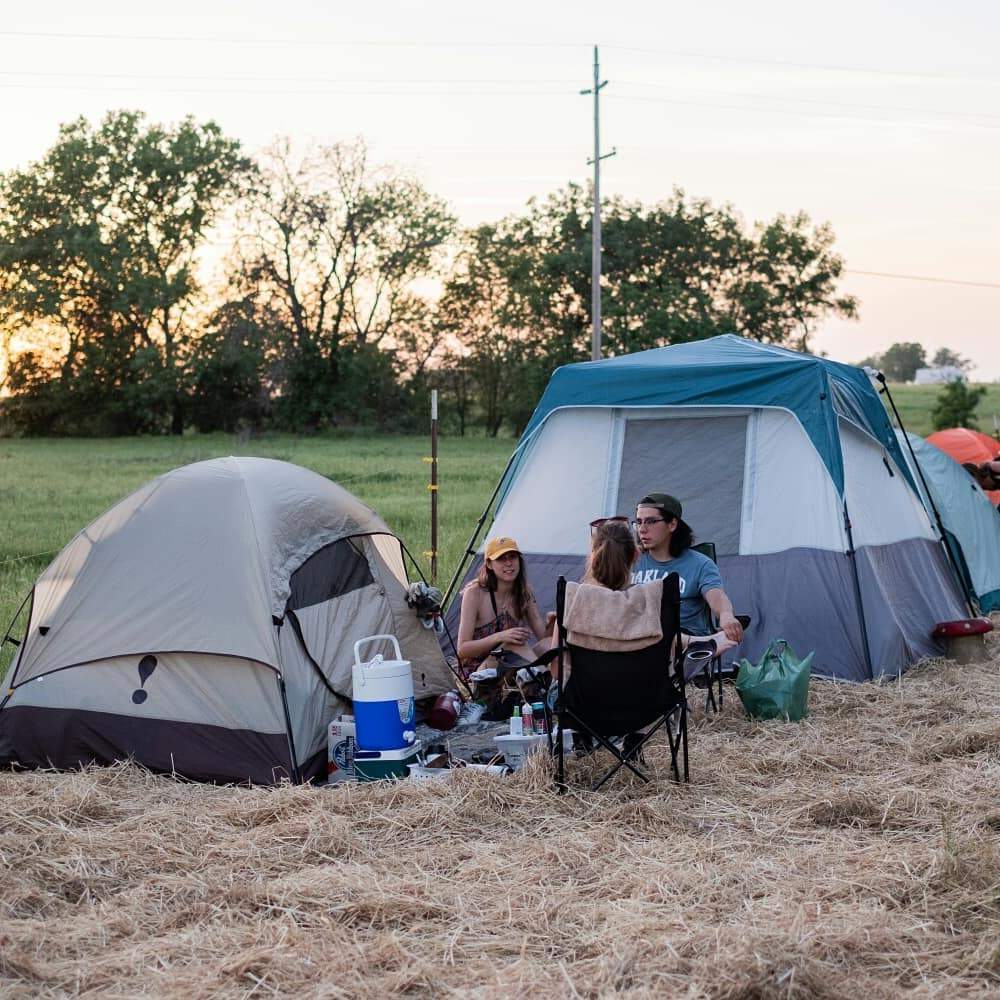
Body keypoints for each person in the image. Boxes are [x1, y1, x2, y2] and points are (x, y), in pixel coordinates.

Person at [631, 493, 744, 643]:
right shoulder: (630, 561)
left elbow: (716, 596)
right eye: (639, 522)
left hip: (684, 643)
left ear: (672, 524)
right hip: (637, 637)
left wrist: (726, 615)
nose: (642, 529)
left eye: (651, 521)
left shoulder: (700, 564)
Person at [457, 536, 549, 679]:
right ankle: (548, 687)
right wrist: (501, 636)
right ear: (489, 564)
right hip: (478, 672)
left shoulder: (524, 592)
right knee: (513, 646)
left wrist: (555, 624)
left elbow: (544, 638)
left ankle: (556, 685)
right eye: (501, 559)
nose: (508, 563)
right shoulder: (474, 593)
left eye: (512, 557)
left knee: (550, 645)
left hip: (510, 665)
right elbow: (462, 650)